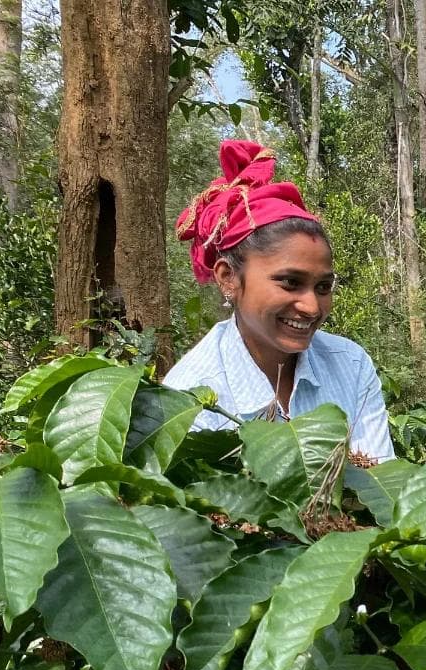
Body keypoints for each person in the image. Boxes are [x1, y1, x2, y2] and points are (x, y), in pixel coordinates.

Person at [165, 140, 394, 462]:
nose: (312, 307)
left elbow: (378, 482)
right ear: (228, 277)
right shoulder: (190, 395)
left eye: (324, 287)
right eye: (290, 283)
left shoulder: (350, 364)